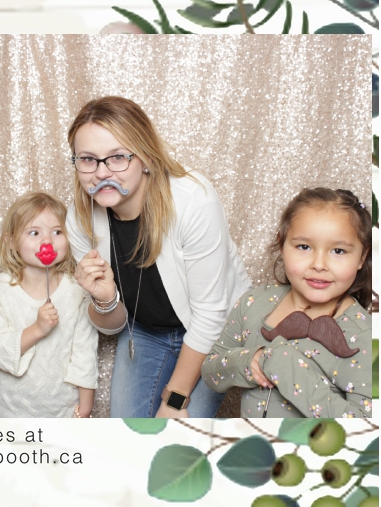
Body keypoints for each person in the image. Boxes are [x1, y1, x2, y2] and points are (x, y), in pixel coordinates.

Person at [65, 96, 248, 419]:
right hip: (146, 331)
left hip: (216, 330)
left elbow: (211, 315)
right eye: (88, 159)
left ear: (146, 156)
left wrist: (174, 401)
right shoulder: (80, 219)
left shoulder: (193, 201)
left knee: (177, 436)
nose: (102, 172)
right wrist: (105, 300)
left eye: (117, 157)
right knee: (129, 437)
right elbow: (112, 326)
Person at [202, 186, 373, 420]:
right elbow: (210, 372)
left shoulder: (366, 335)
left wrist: (287, 368)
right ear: (282, 245)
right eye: (304, 247)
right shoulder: (253, 303)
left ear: (362, 257)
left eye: (338, 251)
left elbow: (366, 429)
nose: (319, 264)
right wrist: (248, 361)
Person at [0, 192, 97, 416]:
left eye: (57, 232)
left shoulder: (77, 289)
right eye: (34, 233)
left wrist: (86, 406)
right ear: (11, 241)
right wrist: (37, 330)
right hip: (11, 412)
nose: (47, 241)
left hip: (64, 411)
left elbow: (85, 353)